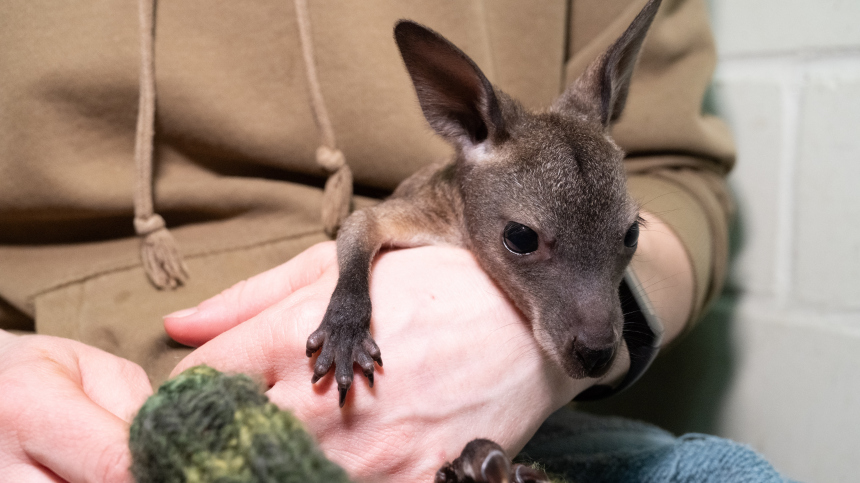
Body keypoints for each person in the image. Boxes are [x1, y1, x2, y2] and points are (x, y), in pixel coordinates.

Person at [0, 0, 737, 481]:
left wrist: (526, 357)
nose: (598, 328)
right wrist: (349, 308)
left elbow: (681, 175)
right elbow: (367, 227)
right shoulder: (452, 189)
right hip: (80, 394)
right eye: (524, 241)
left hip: (480, 417)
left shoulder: (567, 187)